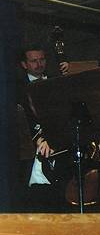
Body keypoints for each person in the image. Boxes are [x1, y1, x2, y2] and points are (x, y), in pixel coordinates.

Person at [15, 44, 71, 212]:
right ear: (24, 64)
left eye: (42, 60)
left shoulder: (55, 80)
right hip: (31, 155)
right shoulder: (16, 89)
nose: (39, 64)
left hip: (58, 152)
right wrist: (38, 137)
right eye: (33, 61)